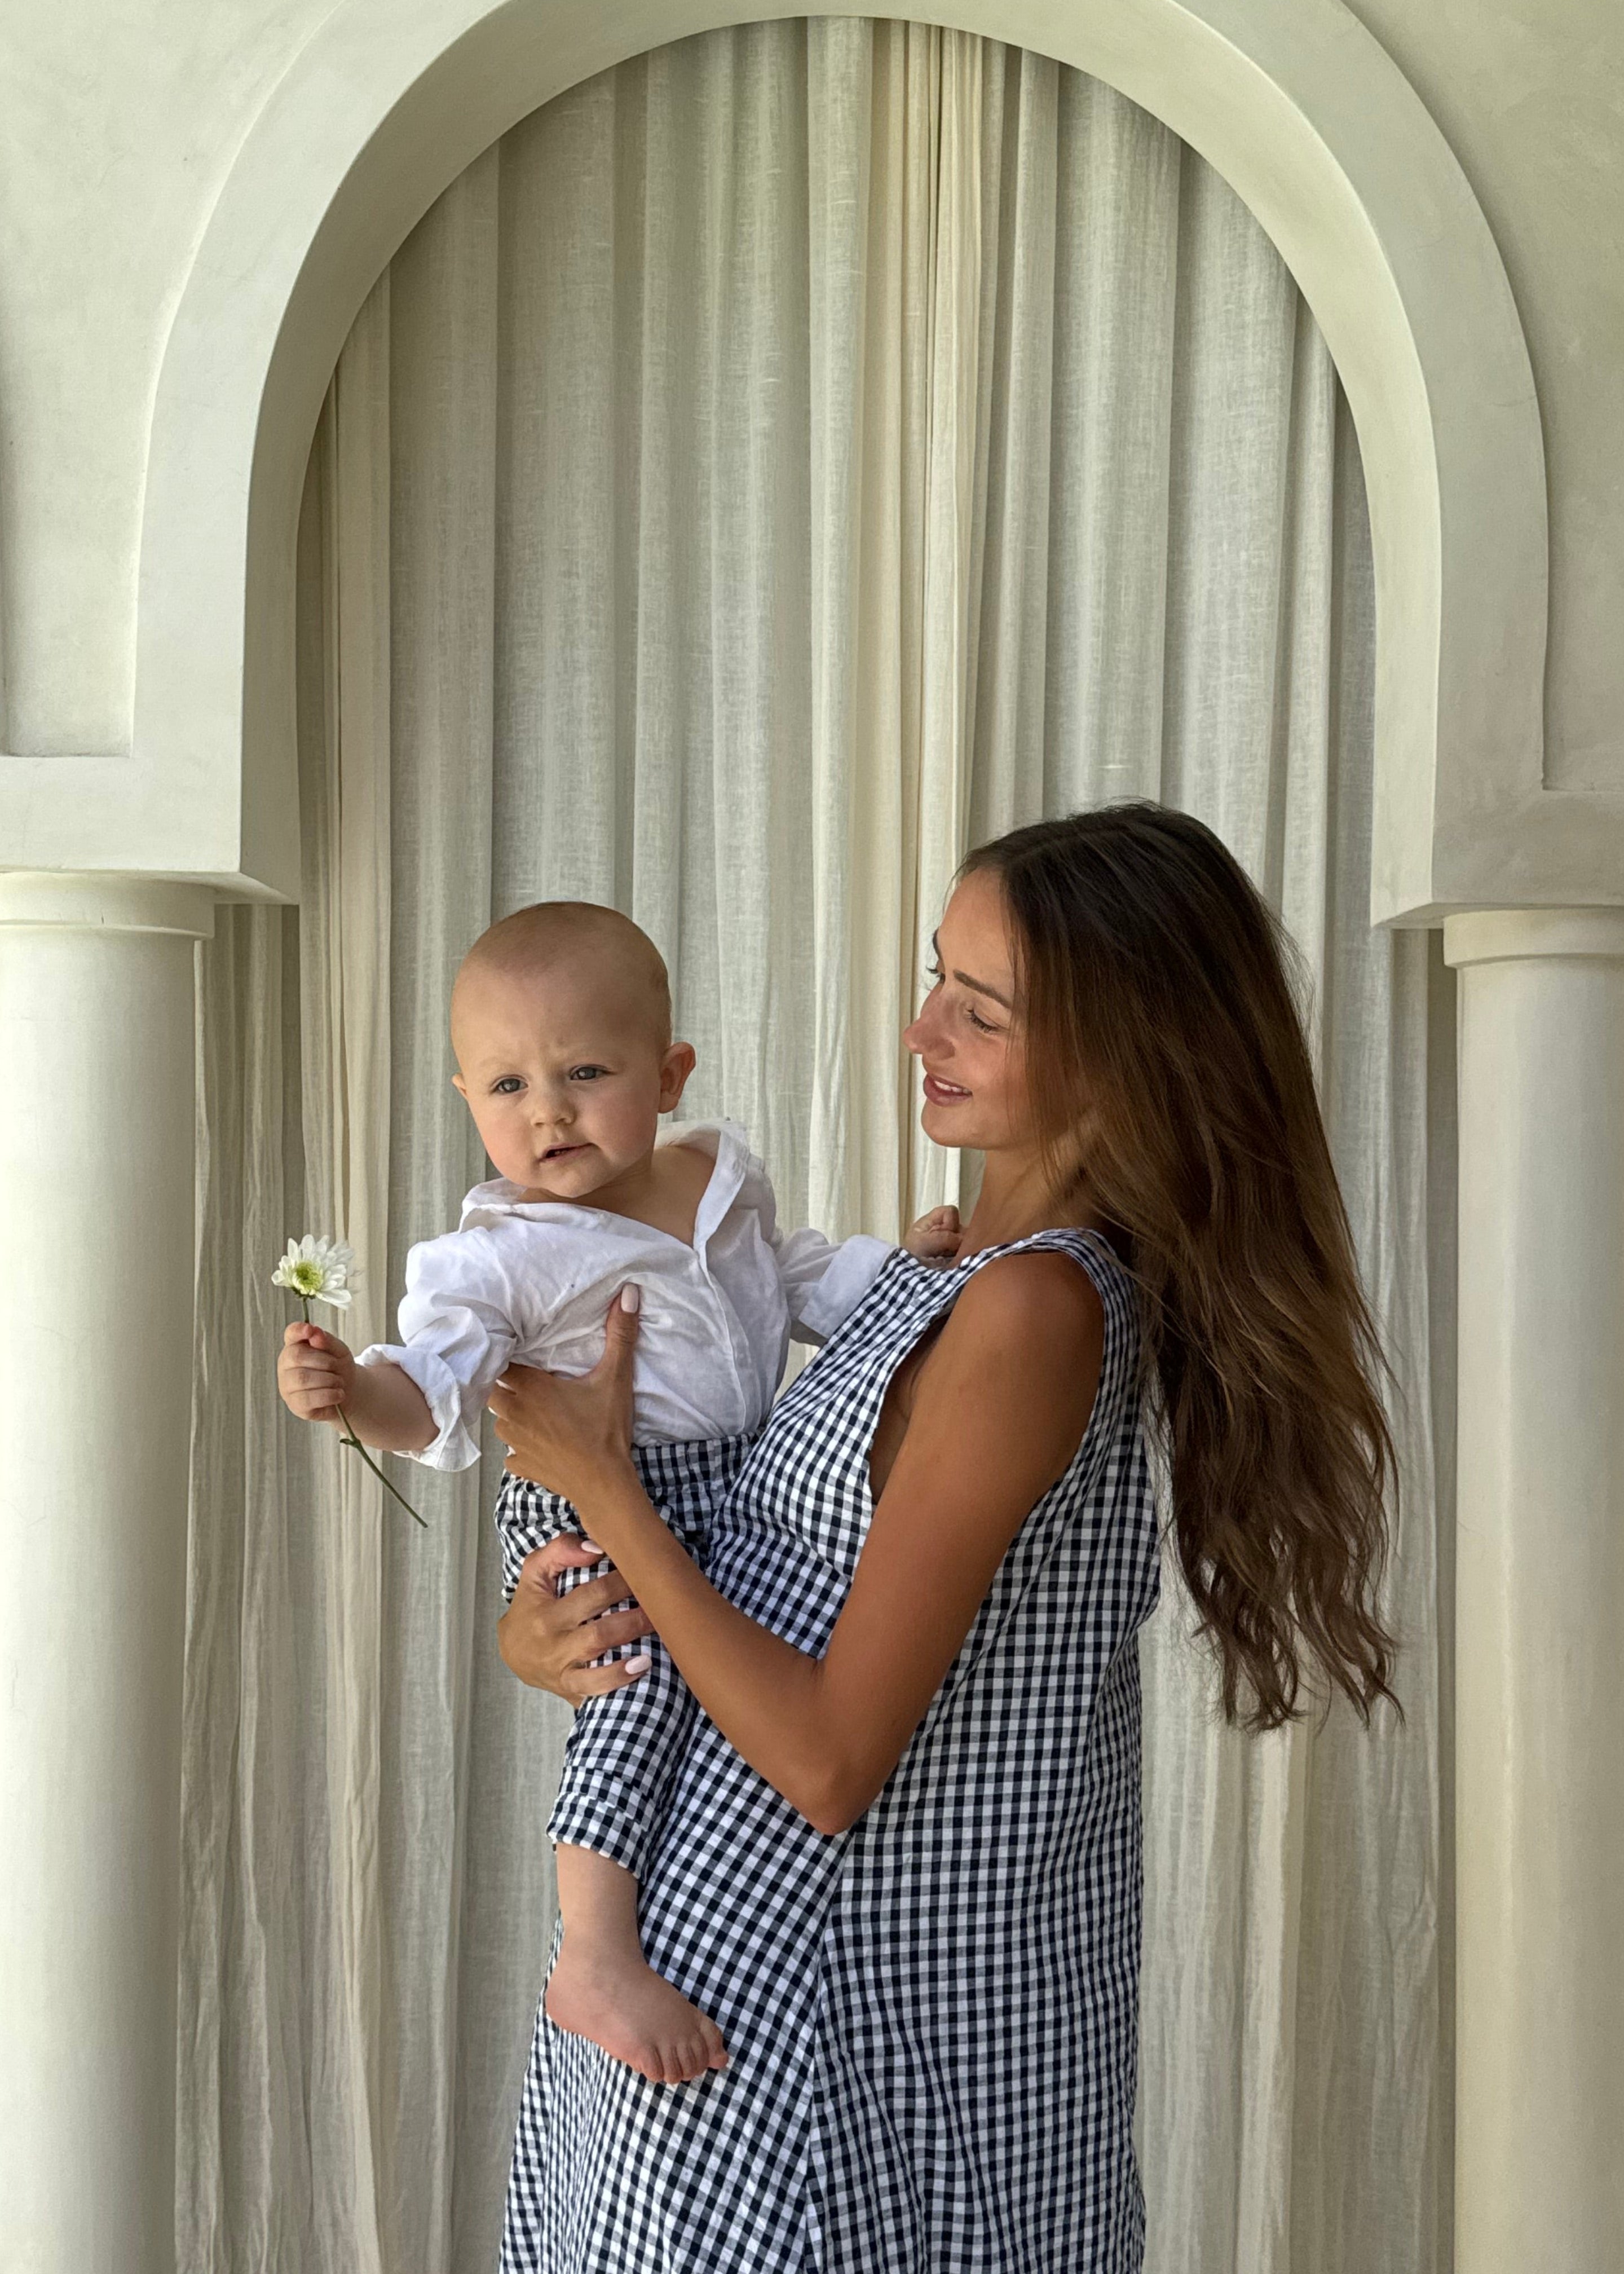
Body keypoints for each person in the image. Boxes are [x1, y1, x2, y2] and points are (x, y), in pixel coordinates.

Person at [488, 804, 1399, 2274]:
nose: (924, 1030)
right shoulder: (947, 1274)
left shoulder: (1039, 1311)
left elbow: (833, 1759)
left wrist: (605, 1495)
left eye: (981, 1010)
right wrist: (559, 1626)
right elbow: (764, 1577)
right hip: (714, 1995)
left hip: (823, 2045)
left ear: (1125, 1052)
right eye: (936, 979)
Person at [275, 900, 958, 2083]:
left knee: (741, 1704)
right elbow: (435, 1383)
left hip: (731, 1492)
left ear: (669, 1070)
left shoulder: (713, 1179)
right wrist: (353, 1396)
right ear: (468, 1102)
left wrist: (902, 1279)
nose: (546, 1111)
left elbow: (792, 1276)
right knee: (635, 1695)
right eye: (506, 1087)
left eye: (584, 1071)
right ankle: (592, 1950)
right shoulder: (499, 1257)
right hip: (592, 1501)